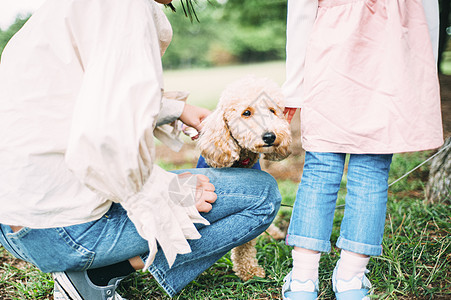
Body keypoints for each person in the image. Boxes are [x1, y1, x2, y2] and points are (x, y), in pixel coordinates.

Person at [0, 0, 282, 299]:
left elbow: (79, 98)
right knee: (261, 195)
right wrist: (166, 191)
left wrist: (177, 108)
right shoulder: (127, 8)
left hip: (15, 222)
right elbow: (103, 138)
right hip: (66, 232)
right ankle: (100, 273)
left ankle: (94, 263)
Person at [281, 0, 443, 299]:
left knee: (320, 170)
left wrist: (293, 86)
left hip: (330, 60)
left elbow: (302, 13)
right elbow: (427, 13)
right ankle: (351, 281)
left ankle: (303, 281)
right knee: (371, 173)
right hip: (391, 64)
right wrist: (422, 69)